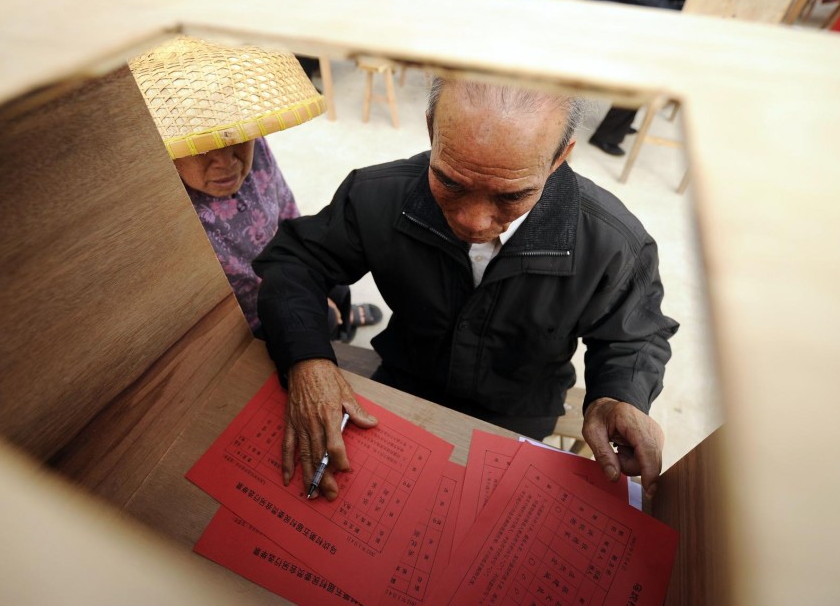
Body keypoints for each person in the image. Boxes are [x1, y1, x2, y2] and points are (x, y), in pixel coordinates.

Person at [254, 78, 679, 502]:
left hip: (518, 410)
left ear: (560, 157)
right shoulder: (377, 195)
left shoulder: (612, 242)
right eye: (451, 182)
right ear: (431, 130)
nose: (475, 222)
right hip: (404, 380)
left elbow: (635, 332)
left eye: (511, 195)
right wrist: (307, 358)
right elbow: (296, 261)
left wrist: (618, 394)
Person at [129, 36, 381, 342]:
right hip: (251, 317)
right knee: (323, 318)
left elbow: (289, 213)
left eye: (234, 137)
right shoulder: (169, 209)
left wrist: (307, 272)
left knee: (338, 284)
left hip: (285, 268)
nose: (226, 161)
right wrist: (301, 297)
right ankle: (337, 326)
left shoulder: (257, 148)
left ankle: (344, 322)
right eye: (201, 148)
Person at [585, 0, 694, 156]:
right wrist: (695, 8)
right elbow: (665, 13)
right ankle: (606, 136)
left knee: (649, 55)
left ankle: (614, 127)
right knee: (647, 67)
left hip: (603, 28)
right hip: (594, 39)